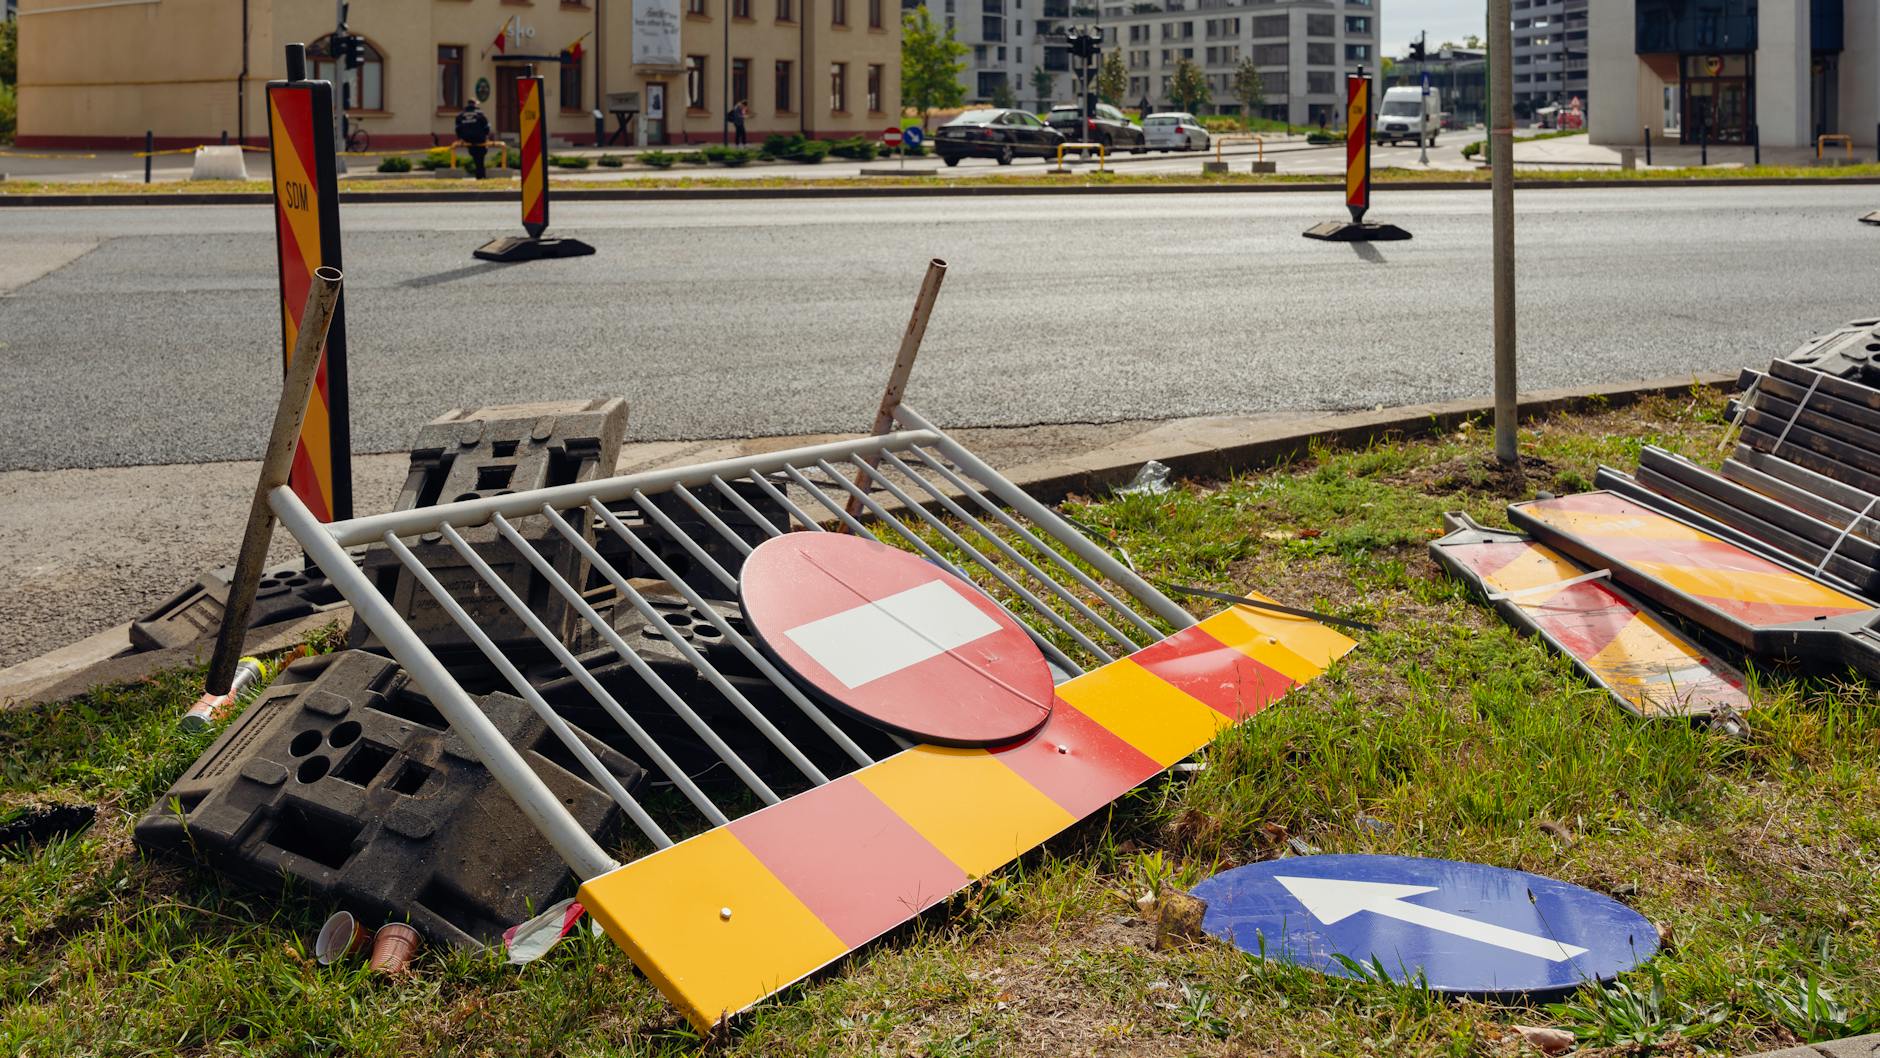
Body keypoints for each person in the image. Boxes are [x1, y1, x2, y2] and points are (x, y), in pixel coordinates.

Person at [455, 99, 493, 179]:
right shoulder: (480, 114)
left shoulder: (461, 115)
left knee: (476, 156)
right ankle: (481, 175)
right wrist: (486, 136)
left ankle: (479, 174)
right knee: (480, 157)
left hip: (467, 139)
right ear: (475, 104)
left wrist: (461, 138)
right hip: (480, 138)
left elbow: (457, 128)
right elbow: (487, 127)